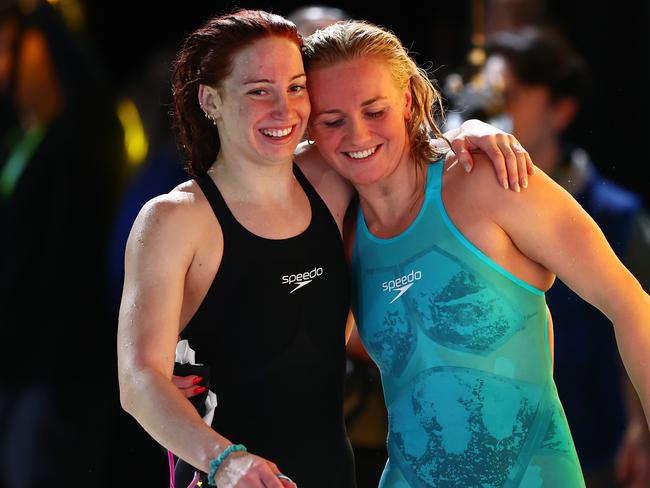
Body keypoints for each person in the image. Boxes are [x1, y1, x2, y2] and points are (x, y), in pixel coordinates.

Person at [117, 9, 531, 488]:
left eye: (295, 87)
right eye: (258, 91)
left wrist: (466, 132)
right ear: (210, 99)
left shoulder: (330, 181)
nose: (284, 110)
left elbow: (394, 138)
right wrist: (225, 461)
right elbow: (139, 379)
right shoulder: (175, 220)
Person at [299, 20, 650, 487]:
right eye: (332, 120)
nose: (358, 135)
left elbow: (630, 304)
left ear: (406, 99)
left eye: (374, 110)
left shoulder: (488, 179)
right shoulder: (339, 230)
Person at [483, 26, 650, 487]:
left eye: (507, 96)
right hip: (500, 447)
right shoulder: (463, 203)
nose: (493, 112)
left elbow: (637, 318)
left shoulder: (617, 214)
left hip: (594, 440)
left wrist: (640, 432)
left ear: (561, 110)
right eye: (486, 96)